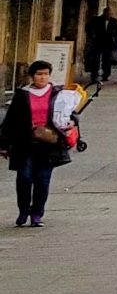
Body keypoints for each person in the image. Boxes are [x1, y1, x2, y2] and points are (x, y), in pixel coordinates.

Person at [2, 61, 75, 227]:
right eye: (39, 74)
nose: (42, 77)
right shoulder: (22, 95)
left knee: (42, 180)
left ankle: (36, 214)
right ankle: (23, 211)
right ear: (32, 76)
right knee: (24, 178)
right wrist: (4, 144)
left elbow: (70, 112)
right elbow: (10, 120)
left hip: (49, 144)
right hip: (25, 143)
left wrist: (71, 122)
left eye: (45, 74)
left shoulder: (58, 94)